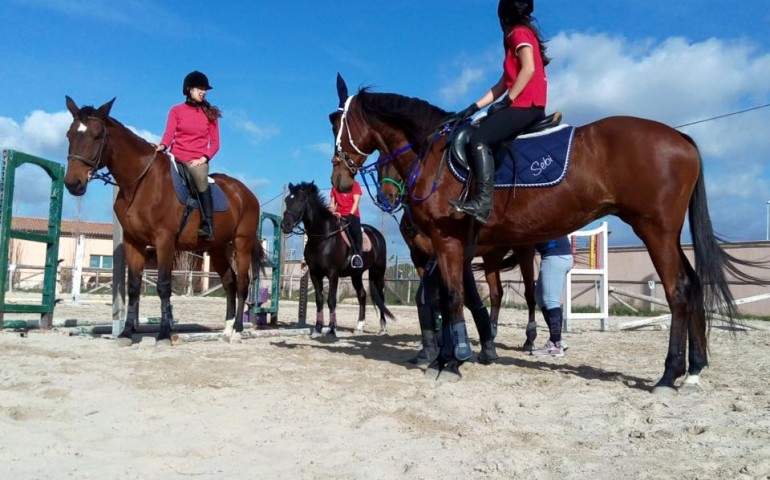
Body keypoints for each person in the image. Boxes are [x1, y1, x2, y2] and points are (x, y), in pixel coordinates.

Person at [449, 0, 550, 224]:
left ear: (502, 17)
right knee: (480, 127)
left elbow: (529, 68)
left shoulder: (517, 33)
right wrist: (472, 108)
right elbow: (502, 84)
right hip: (527, 104)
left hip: (525, 105)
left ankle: (483, 202)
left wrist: (508, 101)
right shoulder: (522, 35)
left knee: (479, 139)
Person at [155, 71, 221, 241]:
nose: (203, 91)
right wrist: (162, 145)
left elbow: (215, 144)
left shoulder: (210, 115)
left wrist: (203, 159)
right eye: (200, 88)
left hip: (197, 161)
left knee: (200, 177)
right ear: (189, 89)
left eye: (205, 89)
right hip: (176, 157)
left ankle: (208, 225)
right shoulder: (176, 111)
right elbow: (169, 134)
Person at [531, 236, 572, 357]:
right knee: (539, 297)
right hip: (559, 256)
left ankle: (555, 344)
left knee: (551, 301)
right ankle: (558, 339)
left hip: (554, 257)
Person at [329, 179, 364, 268]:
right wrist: (329, 211)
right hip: (338, 215)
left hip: (352, 215)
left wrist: (351, 215)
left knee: (356, 231)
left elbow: (356, 202)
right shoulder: (334, 187)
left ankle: (357, 255)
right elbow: (332, 203)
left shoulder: (355, 185)